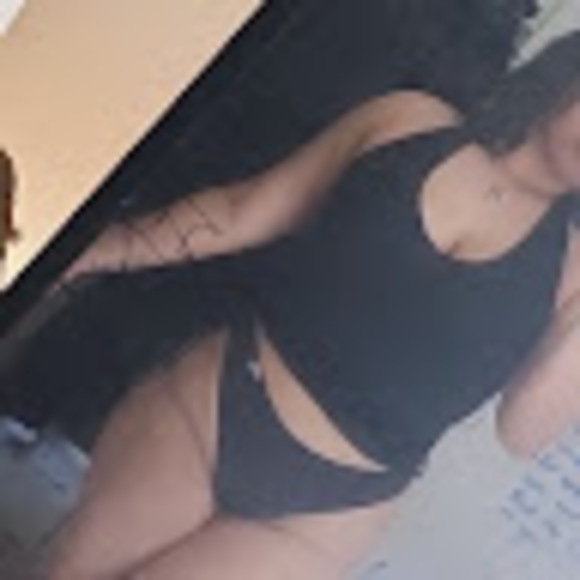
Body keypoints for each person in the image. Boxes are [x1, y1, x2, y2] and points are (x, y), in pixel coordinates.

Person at [47, 31, 580, 579]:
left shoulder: (572, 273)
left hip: (330, 508)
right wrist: (80, 254)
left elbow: (523, 432)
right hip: (216, 402)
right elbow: (239, 212)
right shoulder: (408, 122)